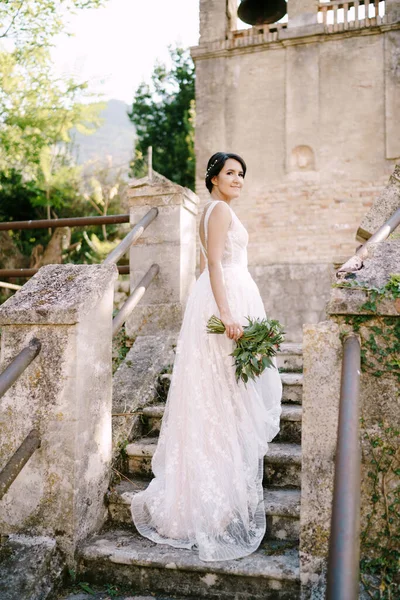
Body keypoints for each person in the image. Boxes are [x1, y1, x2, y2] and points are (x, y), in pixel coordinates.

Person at [131, 151, 283, 562]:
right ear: (213, 178)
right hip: (225, 299)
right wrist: (228, 313)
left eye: (242, 174)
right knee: (222, 397)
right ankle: (210, 501)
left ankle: (217, 492)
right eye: (230, 173)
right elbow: (213, 262)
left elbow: (208, 263)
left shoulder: (217, 210)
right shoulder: (217, 211)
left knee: (223, 397)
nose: (238, 179)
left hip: (227, 294)